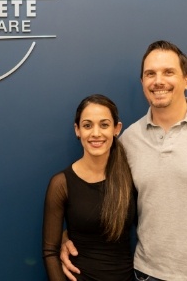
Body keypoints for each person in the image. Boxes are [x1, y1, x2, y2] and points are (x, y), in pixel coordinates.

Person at [61, 41, 187, 281]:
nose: (158, 81)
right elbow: (102, 200)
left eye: (168, 72)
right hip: (149, 274)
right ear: (142, 83)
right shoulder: (128, 141)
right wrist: (67, 237)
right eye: (150, 74)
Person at [42, 94, 137, 281]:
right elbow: (50, 251)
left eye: (104, 125)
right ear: (77, 130)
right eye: (87, 125)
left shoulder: (130, 177)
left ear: (117, 129)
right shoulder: (61, 183)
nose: (95, 133)